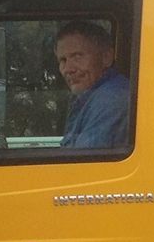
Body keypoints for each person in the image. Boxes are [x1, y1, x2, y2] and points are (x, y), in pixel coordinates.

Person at [55, 20, 132, 150]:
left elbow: (82, 164)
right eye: (63, 60)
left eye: (77, 56)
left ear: (107, 57)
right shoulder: (92, 97)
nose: (68, 69)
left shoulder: (111, 99)